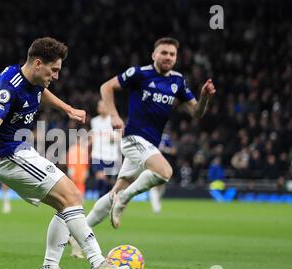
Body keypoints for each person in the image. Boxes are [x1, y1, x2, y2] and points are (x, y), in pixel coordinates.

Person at [0, 37, 129, 269]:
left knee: (67, 204)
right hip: (10, 156)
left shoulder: (32, 79)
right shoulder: (9, 86)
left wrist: (68, 109)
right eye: (54, 70)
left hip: (20, 152)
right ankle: (98, 262)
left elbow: (42, 93)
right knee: (71, 195)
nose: (57, 76)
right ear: (38, 64)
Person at [82, 37, 216, 230]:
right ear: (154, 55)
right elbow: (106, 87)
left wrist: (203, 98)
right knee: (165, 172)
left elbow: (196, 113)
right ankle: (125, 199)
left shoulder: (177, 80)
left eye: (172, 54)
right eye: (164, 53)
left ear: (176, 58)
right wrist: (114, 116)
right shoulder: (140, 73)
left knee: (114, 192)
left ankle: (79, 233)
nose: (168, 57)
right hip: (133, 138)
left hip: (150, 144)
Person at [90, 100, 120, 197]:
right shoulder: (94, 121)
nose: (101, 108)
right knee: (100, 178)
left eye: (104, 106)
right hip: (97, 154)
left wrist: (114, 137)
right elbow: (94, 136)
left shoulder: (114, 120)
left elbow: (120, 136)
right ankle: (101, 199)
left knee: (109, 181)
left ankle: (108, 199)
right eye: (100, 106)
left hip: (111, 155)